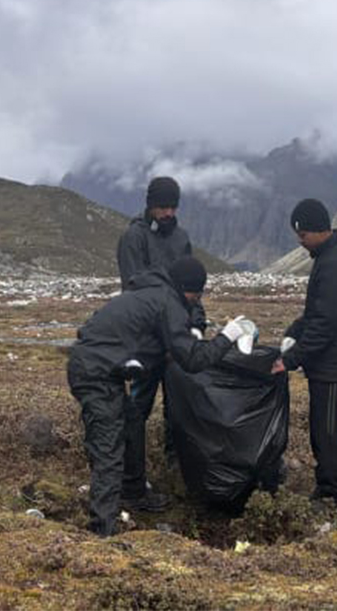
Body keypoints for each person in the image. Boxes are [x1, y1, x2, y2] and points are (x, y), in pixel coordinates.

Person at [67, 256, 253, 536]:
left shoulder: (150, 293)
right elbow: (193, 360)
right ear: (186, 288)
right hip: (96, 375)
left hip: (95, 367)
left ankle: (133, 492)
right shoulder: (169, 302)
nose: (196, 300)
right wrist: (229, 335)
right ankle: (102, 529)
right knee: (108, 446)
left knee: (132, 423)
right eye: (196, 295)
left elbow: (139, 338)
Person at [271, 198, 337, 510]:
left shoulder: (335, 264)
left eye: (302, 235)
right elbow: (317, 313)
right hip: (331, 366)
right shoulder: (329, 258)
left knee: (331, 432)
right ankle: (326, 487)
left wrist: (289, 360)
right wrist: (295, 329)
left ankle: (334, 495)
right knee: (324, 429)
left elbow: (324, 325)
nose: (300, 242)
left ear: (316, 230)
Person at [114, 175, 204, 503]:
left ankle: (176, 467)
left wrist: (196, 324)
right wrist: (165, 330)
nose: (168, 213)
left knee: (179, 406)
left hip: (178, 338)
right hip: (148, 342)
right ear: (150, 205)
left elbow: (192, 286)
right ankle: (130, 476)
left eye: (172, 207)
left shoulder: (181, 238)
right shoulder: (133, 238)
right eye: (162, 207)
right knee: (137, 407)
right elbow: (135, 288)